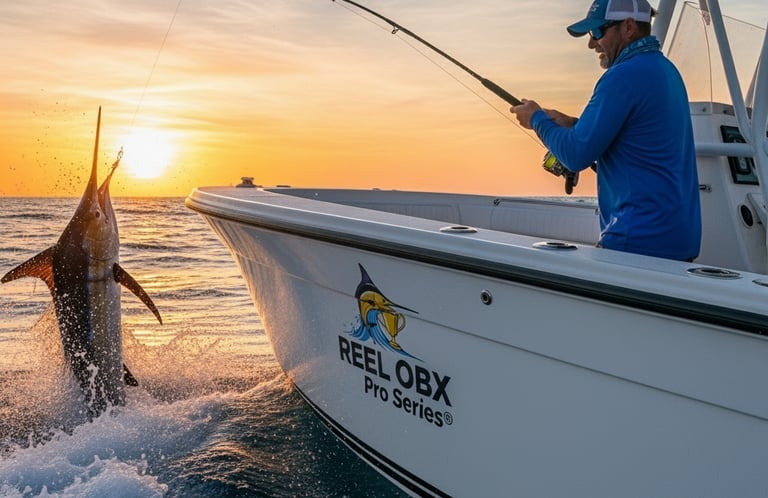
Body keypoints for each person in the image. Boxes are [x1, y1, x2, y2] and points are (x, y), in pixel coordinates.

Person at [511, 0, 701, 261]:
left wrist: (536, 119)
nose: (592, 43)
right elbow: (638, 141)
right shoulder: (666, 71)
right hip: (678, 243)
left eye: (598, 31)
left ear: (629, 26)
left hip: (636, 244)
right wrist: (575, 124)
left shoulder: (622, 76)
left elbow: (576, 155)